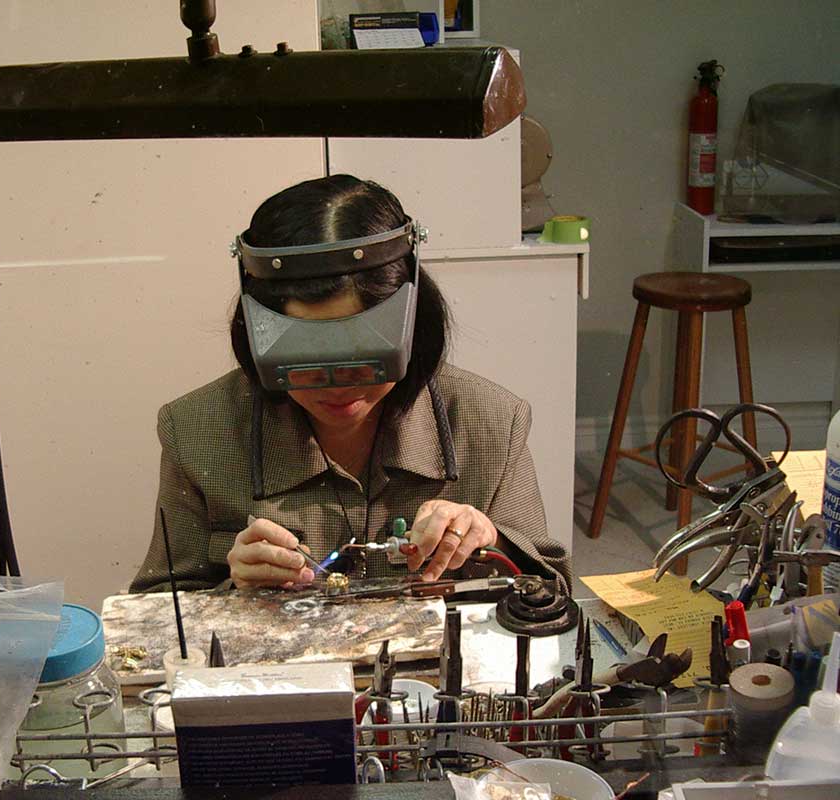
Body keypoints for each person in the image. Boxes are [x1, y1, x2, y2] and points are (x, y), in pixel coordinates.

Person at [131, 175, 571, 594]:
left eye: (365, 359)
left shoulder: (490, 422)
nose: (338, 386)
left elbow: (553, 593)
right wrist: (236, 588)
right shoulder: (195, 430)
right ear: (256, 337)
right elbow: (158, 611)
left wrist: (492, 543)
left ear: (411, 330)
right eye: (305, 361)